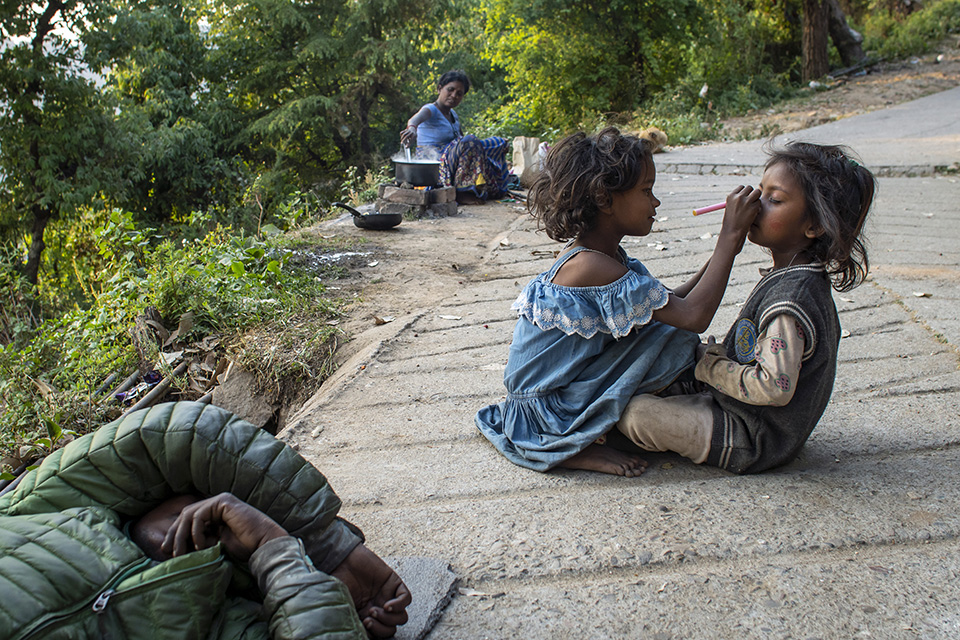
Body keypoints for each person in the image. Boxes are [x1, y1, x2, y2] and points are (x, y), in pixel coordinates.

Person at [475, 127, 761, 475]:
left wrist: (723, 247)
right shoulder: (590, 265)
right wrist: (729, 238)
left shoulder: (607, 256)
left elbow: (669, 302)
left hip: (560, 390)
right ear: (604, 199)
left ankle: (595, 431)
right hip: (545, 409)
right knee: (674, 334)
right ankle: (570, 447)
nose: (655, 202)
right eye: (646, 191)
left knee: (663, 328)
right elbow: (695, 317)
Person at [0, 401, 410, 639]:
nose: (197, 522)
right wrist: (278, 553)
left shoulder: (21, 511)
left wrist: (325, 547)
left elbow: (174, 432)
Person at [614, 141, 875, 474]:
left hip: (753, 436)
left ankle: (605, 436)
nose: (756, 204)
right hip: (736, 408)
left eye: (774, 200)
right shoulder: (790, 276)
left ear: (814, 227)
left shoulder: (791, 302)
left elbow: (772, 387)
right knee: (650, 373)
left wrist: (709, 366)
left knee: (635, 414)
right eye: (760, 192)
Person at [399, 69, 510, 204]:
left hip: (452, 159)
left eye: (459, 93)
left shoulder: (454, 116)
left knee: (496, 142)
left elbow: (464, 145)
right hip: (435, 163)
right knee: (470, 141)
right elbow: (414, 119)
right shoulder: (431, 109)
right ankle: (461, 192)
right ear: (440, 89)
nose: (453, 95)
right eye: (450, 90)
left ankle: (491, 188)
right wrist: (412, 129)